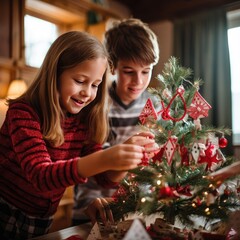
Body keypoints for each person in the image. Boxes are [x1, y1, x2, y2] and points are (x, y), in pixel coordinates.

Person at [0, 31, 158, 239]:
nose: (88, 93)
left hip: (41, 218)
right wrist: (106, 157)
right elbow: (40, 175)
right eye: (80, 80)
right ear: (54, 73)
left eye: (95, 85)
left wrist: (124, 162)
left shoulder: (83, 121)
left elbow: (103, 179)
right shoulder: (23, 112)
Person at [72, 18, 160, 225]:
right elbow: (85, 165)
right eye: (128, 72)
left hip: (140, 210)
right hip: (94, 210)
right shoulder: (93, 105)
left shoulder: (156, 106)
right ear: (111, 66)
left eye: (146, 71)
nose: (138, 81)